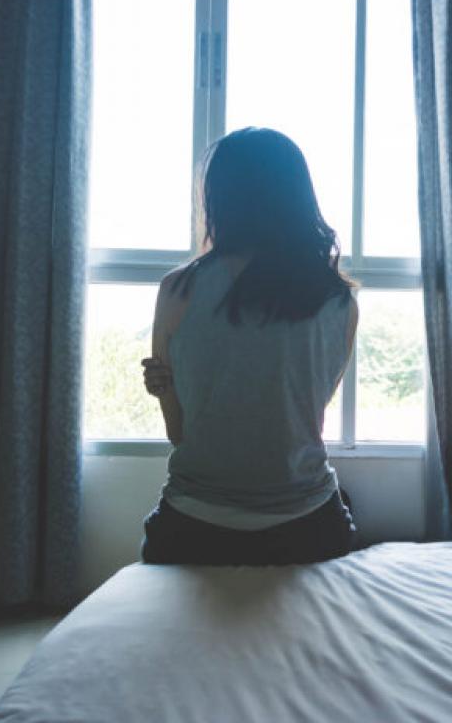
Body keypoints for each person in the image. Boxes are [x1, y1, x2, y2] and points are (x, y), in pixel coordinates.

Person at [138, 127, 359, 566]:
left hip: (194, 527)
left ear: (218, 198)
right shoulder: (340, 301)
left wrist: (165, 388)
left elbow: (180, 434)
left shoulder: (177, 290)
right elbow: (301, 420)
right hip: (306, 528)